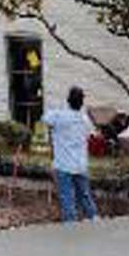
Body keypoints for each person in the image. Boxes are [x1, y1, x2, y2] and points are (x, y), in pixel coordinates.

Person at [42, 86, 99, 223]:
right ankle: (92, 217)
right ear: (81, 102)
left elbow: (45, 118)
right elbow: (91, 133)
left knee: (67, 197)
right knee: (84, 194)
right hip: (80, 164)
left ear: (68, 100)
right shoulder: (84, 120)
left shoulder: (59, 116)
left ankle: (70, 223)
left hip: (63, 164)